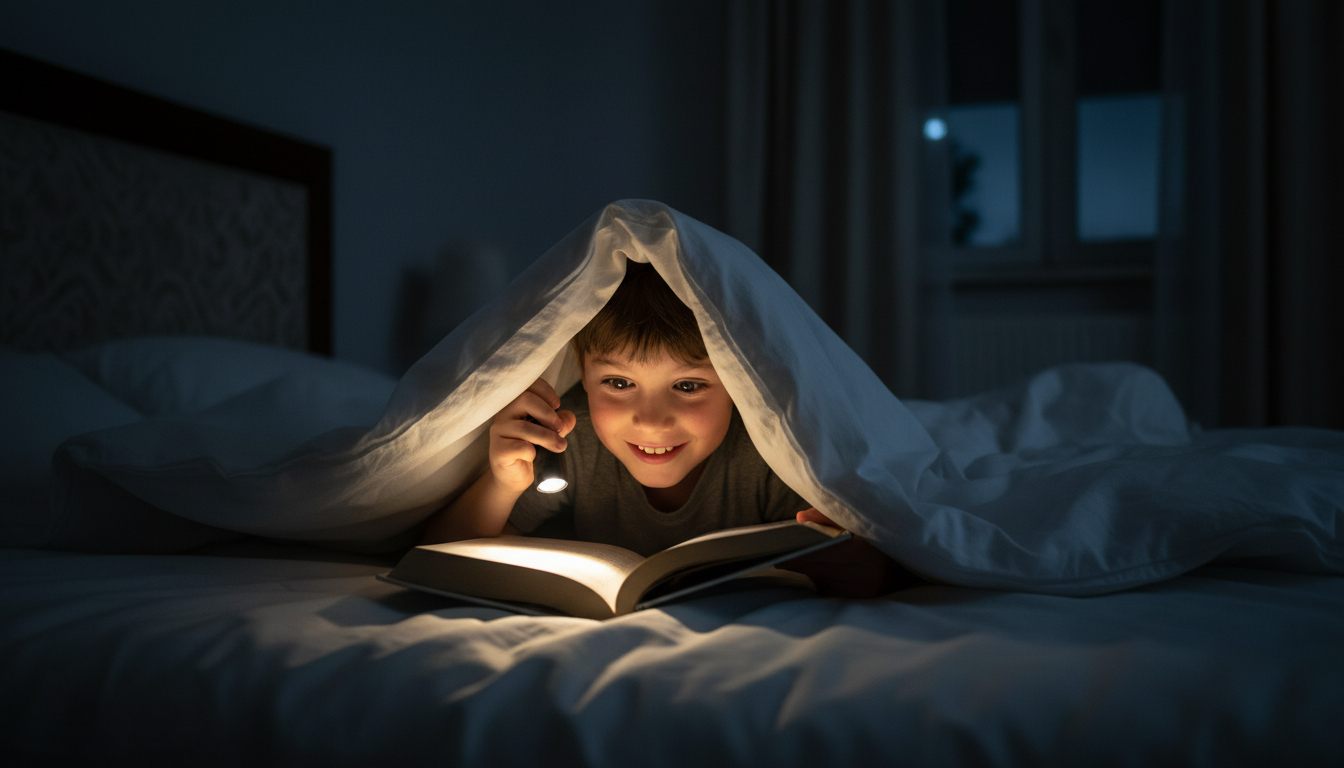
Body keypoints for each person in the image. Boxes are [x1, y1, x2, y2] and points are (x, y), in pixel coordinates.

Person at [419, 262, 909, 597]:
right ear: (582, 374)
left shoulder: (766, 452)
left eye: (690, 385)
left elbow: (875, 573)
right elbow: (440, 555)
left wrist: (832, 552)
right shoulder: (574, 433)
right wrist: (503, 484)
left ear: (738, 385)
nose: (651, 419)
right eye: (617, 382)